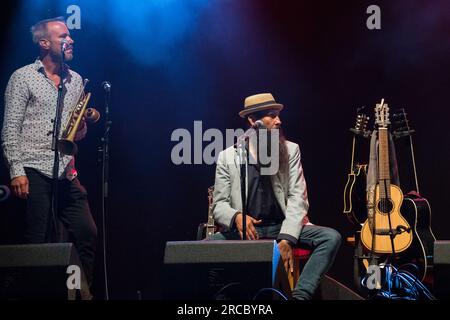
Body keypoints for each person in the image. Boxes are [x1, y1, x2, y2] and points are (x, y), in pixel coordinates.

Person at [211, 93, 341, 300]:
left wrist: (288, 238)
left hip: (282, 225)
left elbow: (298, 197)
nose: (279, 121)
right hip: (248, 230)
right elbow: (219, 205)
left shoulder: (290, 150)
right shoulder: (228, 156)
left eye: (278, 115)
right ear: (253, 121)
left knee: (330, 237)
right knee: (201, 250)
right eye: (272, 116)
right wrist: (236, 217)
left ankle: (300, 296)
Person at [1, 17, 97, 288]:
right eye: (64, 36)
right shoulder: (23, 77)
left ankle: (82, 293)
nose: (71, 40)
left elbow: (77, 134)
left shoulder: (75, 80)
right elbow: (10, 129)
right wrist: (16, 171)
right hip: (33, 168)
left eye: (70, 36)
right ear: (44, 43)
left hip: (66, 171)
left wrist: (80, 130)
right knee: (38, 242)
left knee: (86, 232)